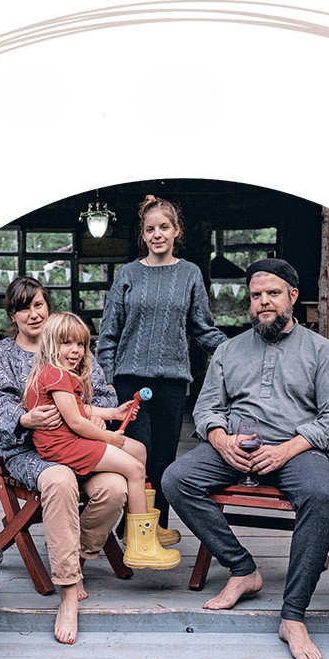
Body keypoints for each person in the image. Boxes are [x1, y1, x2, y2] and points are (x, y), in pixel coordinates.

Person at [161, 258, 329, 659]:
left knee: (320, 495)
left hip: (296, 449)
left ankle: (293, 615)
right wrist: (220, 438)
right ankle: (242, 568)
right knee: (176, 479)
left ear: (292, 296)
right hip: (236, 446)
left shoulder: (323, 351)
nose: (264, 302)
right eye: (256, 295)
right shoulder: (228, 349)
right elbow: (207, 407)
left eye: (273, 293)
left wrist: (285, 450)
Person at [0, 276, 127, 646]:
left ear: (48, 307)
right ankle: (69, 592)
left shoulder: (71, 345)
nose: (33, 314)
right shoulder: (1, 355)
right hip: (28, 452)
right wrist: (25, 418)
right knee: (60, 480)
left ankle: (77, 558)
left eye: (38, 305)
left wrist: (97, 418)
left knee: (115, 487)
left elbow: (103, 394)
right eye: (23, 308)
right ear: (12, 315)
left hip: (80, 445)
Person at [95, 195, 228, 547]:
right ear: (143, 234)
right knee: (137, 453)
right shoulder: (128, 274)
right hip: (129, 381)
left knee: (165, 459)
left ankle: (156, 527)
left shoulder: (189, 274)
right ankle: (133, 529)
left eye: (164, 227)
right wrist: (106, 384)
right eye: (150, 229)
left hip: (172, 381)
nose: (157, 234)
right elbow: (109, 333)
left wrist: (236, 349)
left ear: (176, 231)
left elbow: (202, 328)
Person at [23, 312, 181, 570]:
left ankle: (137, 526)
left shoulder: (62, 374)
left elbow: (80, 409)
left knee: (139, 450)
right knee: (135, 468)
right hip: (64, 447)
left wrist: (114, 413)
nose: (75, 350)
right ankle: (141, 546)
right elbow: (76, 422)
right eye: (67, 343)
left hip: (70, 442)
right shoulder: (57, 375)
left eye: (81, 344)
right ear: (51, 343)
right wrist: (109, 437)